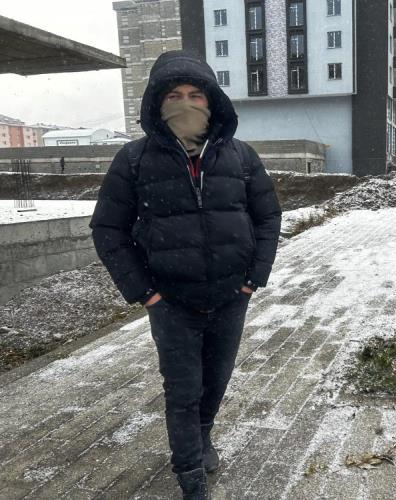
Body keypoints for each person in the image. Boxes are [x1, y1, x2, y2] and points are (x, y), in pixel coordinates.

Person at [90, 50, 282, 499]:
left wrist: (253, 278)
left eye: (196, 94)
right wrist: (145, 293)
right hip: (171, 302)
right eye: (174, 95)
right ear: (158, 103)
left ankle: (203, 436)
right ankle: (190, 476)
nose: (186, 103)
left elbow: (268, 218)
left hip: (231, 296)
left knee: (215, 383)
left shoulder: (242, 157)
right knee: (183, 391)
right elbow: (107, 229)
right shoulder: (134, 161)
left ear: (212, 102)